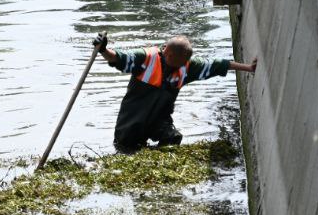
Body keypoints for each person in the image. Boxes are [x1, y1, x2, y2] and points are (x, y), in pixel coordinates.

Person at [92, 33, 257, 153]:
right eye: (172, 64)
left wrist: (249, 68)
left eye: (179, 65)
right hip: (132, 119)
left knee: (172, 139)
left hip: (159, 120)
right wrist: (104, 49)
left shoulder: (187, 67)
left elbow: (217, 65)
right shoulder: (145, 58)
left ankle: (157, 167)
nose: (175, 68)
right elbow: (119, 58)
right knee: (124, 149)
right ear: (166, 52)